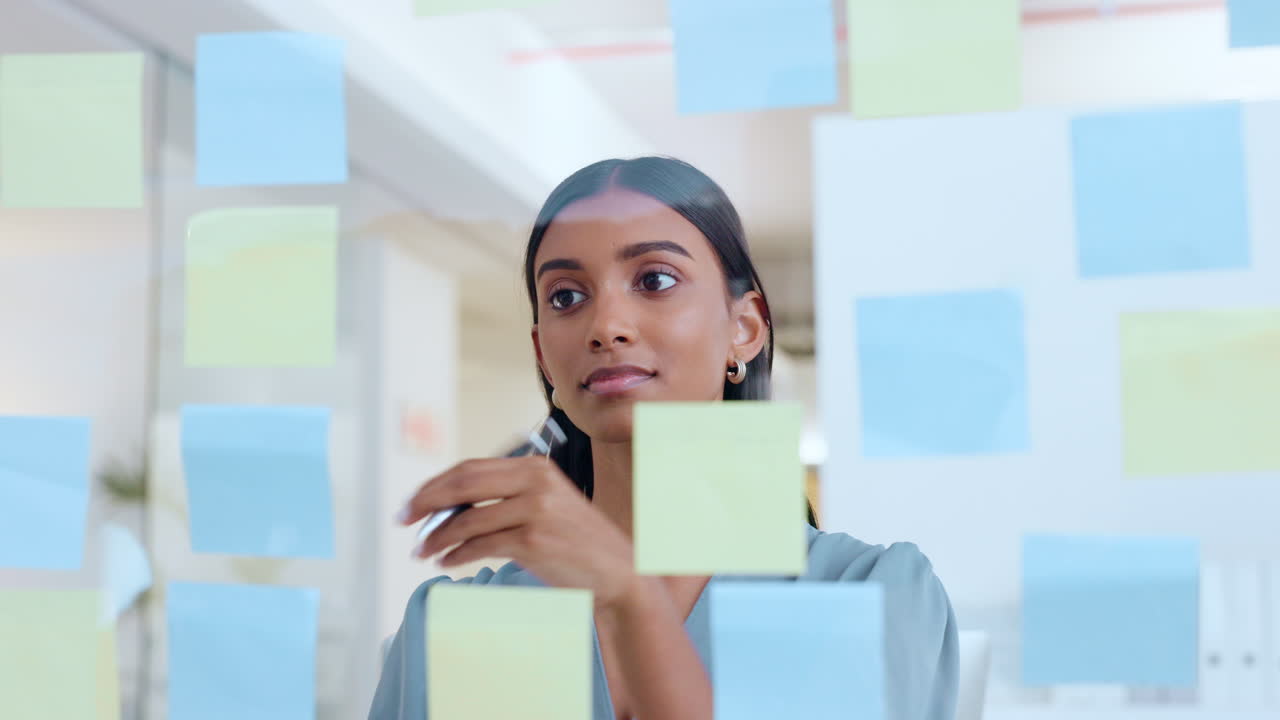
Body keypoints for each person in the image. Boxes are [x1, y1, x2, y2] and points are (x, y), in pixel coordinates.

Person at [369, 156, 958, 720]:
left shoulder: (872, 594)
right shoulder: (450, 625)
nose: (606, 328)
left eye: (655, 279)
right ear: (543, 353)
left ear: (745, 328)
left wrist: (633, 602)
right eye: (566, 297)